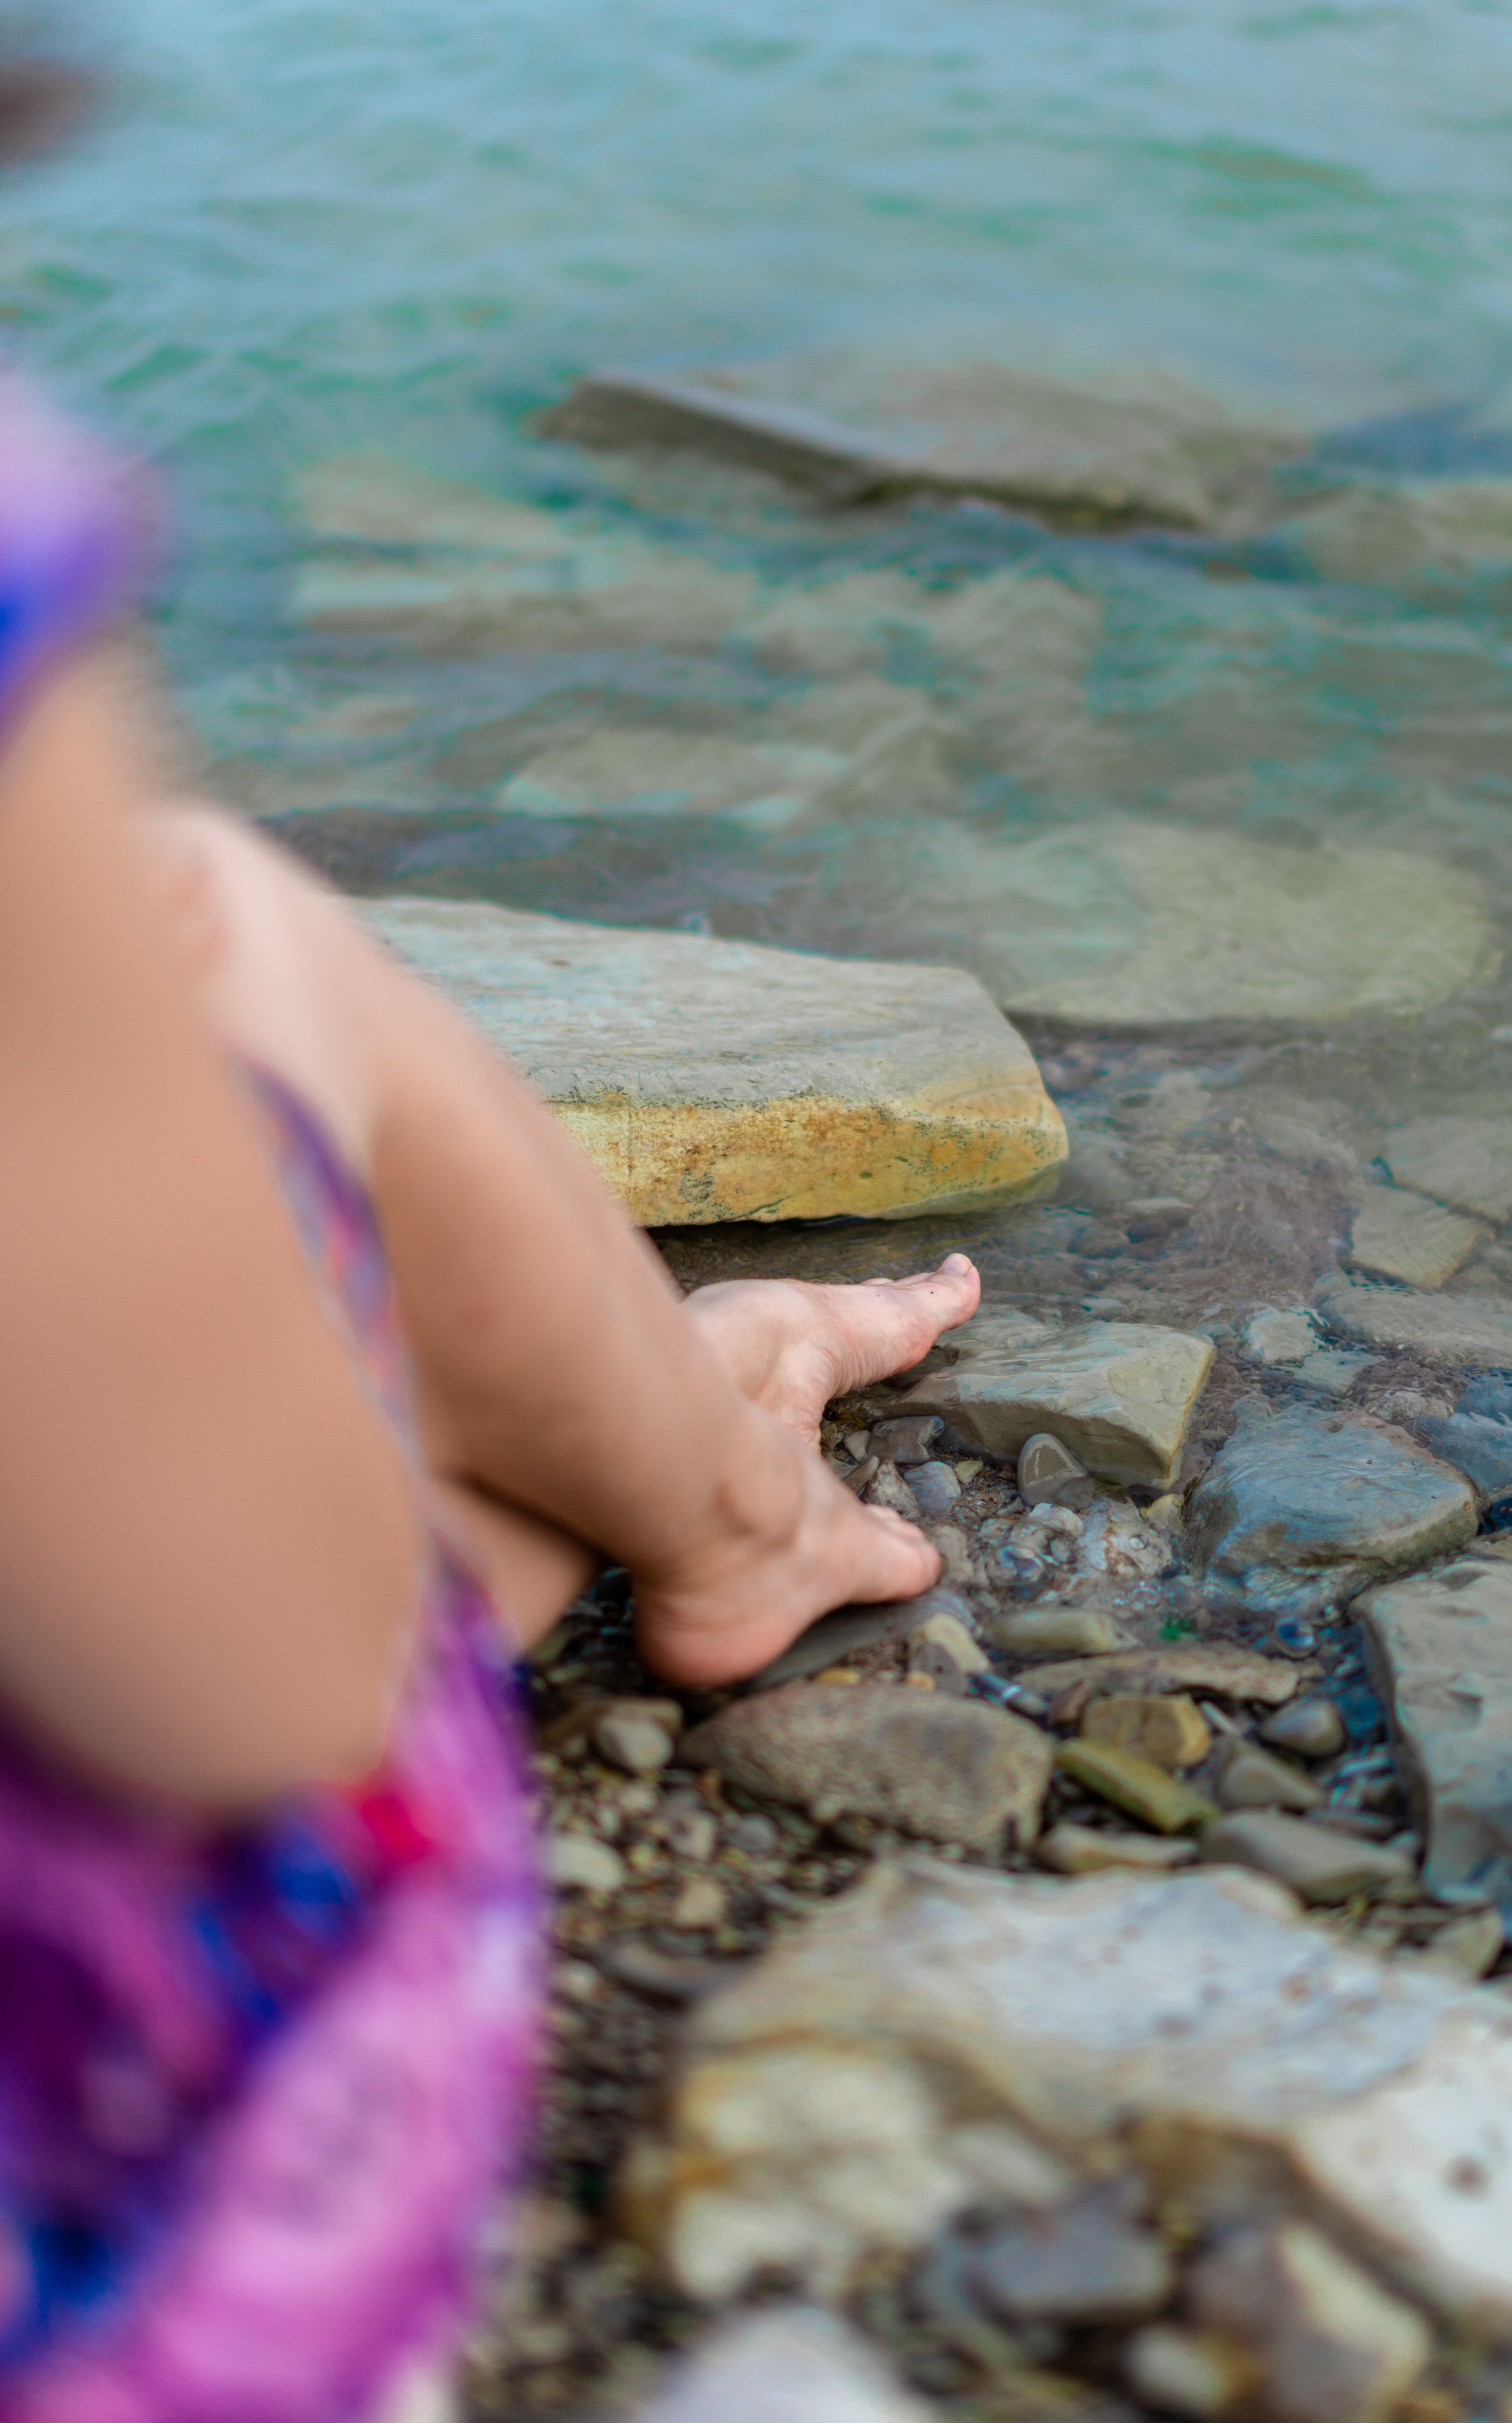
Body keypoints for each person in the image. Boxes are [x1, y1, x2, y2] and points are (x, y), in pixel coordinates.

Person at [0, 54, 981, 2423]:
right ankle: (740, 1486)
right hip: (121, 2278)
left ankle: (709, 1436)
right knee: (228, 922)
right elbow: (254, 1688)